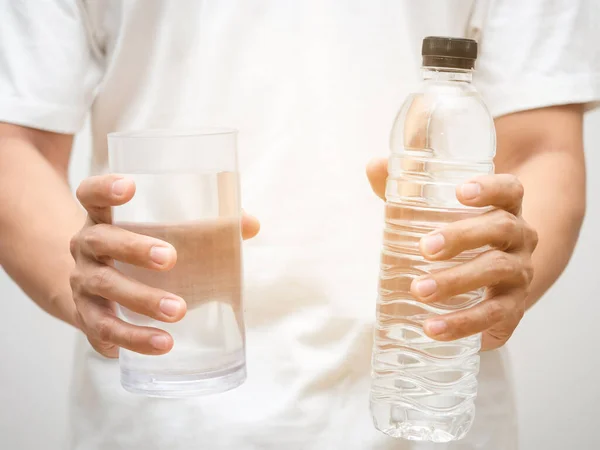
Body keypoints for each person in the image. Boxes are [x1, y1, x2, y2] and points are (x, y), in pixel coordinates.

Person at [0, 0, 598, 448]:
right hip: (162, 402)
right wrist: (90, 297)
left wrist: (491, 294)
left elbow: (541, 146)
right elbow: (13, 138)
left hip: (420, 403)